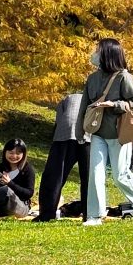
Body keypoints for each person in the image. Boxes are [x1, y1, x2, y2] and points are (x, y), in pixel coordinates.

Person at [80, 37, 133, 225]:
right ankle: (95, 215)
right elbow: (84, 105)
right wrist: (80, 131)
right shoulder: (92, 78)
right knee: (95, 174)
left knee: (120, 175)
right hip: (98, 133)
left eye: (98, 50)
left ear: (108, 54)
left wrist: (114, 104)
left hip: (119, 133)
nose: (94, 54)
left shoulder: (124, 77)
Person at [35, 91, 89, 222]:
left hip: (65, 134)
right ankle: (90, 214)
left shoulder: (67, 98)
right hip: (88, 136)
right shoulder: (94, 97)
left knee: (54, 175)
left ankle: (46, 214)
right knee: (89, 177)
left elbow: (59, 120)